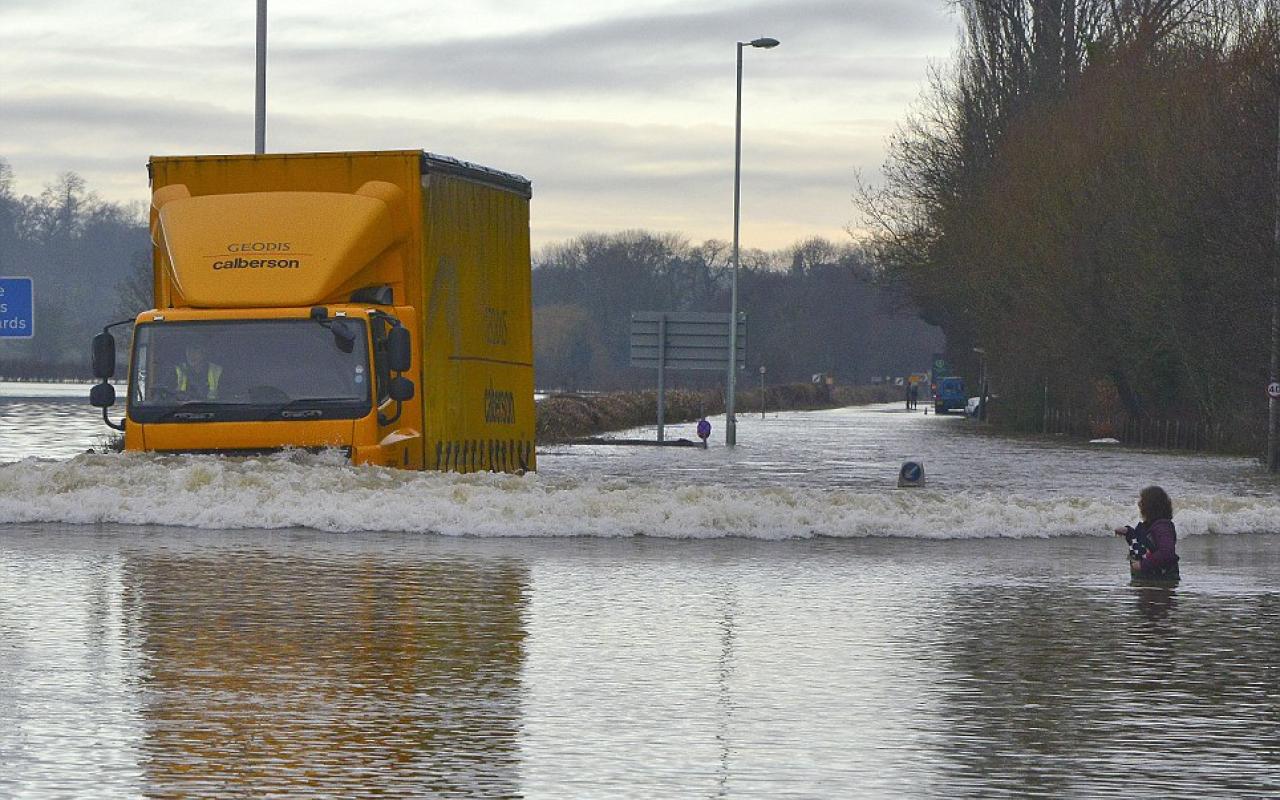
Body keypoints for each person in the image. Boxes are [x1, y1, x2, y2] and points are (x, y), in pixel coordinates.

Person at [1113, 485, 1179, 580]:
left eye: (1142, 501)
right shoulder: (1150, 525)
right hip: (1150, 578)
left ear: (1151, 506)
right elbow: (1142, 541)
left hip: (1162, 581)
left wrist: (1143, 565)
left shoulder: (1163, 527)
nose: (1139, 503)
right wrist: (1127, 531)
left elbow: (1167, 553)